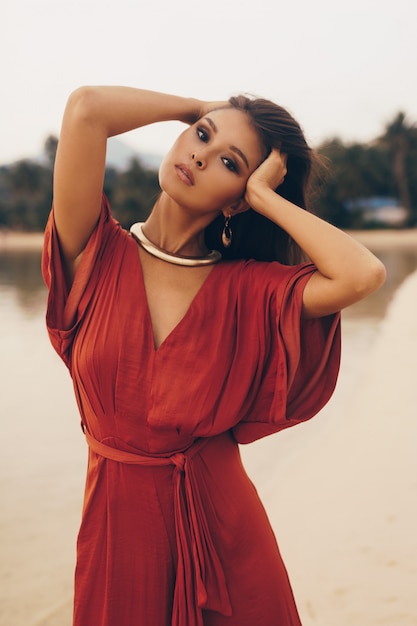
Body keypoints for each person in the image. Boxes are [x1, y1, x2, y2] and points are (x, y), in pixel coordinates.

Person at [42, 86, 386, 626]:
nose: (201, 155)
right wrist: (195, 108)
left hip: (221, 533)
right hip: (116, 530)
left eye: (229, 162)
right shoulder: (94, 252)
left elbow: (362, 274)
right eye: (201, 136)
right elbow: (87, 110)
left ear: (237, 197)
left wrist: (267, 198)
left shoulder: (248, 290)